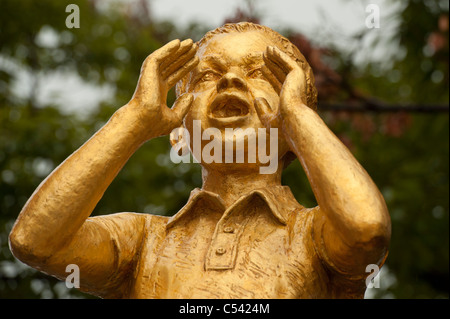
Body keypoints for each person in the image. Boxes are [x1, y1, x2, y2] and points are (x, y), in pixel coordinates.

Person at [9, 22, 391, 298]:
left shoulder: (314, 234)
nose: (230, 82)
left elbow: (368, 228)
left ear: (295, 133)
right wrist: (134, 120)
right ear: (180, 129)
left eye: (258, 73)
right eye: (207, 76)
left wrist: (299, 116)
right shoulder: (143, 242)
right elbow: (35, 241)